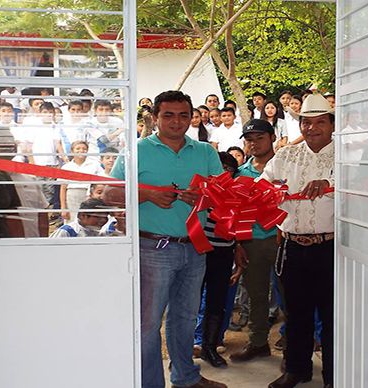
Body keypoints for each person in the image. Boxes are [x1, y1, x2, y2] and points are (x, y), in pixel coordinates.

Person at [109, 90, 227, 388]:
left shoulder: (205, 151)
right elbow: (108, 193)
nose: (177, 122)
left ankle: (185, 377)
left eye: (183, 115)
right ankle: (150, 383)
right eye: (169, 115)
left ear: (192, 117)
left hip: (194, 247)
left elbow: (221, 197)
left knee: (185, 318)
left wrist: (202, 197)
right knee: (148, 324)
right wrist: (147, 194)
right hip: (152, 248)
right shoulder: (136, 151)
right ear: (155, 117)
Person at [262, 93, 335, 388]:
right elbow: (262, 186)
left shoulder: (350, 155)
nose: (312, 128)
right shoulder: (285, 155)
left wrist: (332, 185)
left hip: (333, 247)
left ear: (331, 124)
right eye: (306, 122)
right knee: (296, 313)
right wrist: (267, 193)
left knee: (333, 316)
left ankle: (334, 374)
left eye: (320, 122)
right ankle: (297, 368)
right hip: (292, 245)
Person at [229, 119, 279, 364]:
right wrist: (238, 244)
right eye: (249, 139)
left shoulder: (287, 165)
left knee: (292, 295)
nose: (254, 143)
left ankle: (296, 346)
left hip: (283, 239)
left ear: (272, 137)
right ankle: (258, 343)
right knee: (256, 295)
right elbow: (234, 212)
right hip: (252, 241)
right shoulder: (240, 173)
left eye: (260, 137)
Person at [196, 152, 246, 368]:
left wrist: (237, 249)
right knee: (191, 302)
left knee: (217, 302)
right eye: (221, 167)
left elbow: (239, 229)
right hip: (199, 251)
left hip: (224, 253)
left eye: (229, 169)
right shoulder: (201, 191)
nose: (225, 172)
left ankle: (210, 346)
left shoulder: (237, 196)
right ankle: (185, 350)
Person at [59, 140, 105, 223]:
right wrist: (63, 208)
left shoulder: (94, 165)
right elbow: (63, 188)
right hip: (72, 197)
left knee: (88, 221)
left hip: (89, 196)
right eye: (78, 148)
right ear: (72, 151)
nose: (81, 151)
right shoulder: (67, 167)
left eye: (84, 149)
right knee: (73, 222)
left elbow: (102, 181)